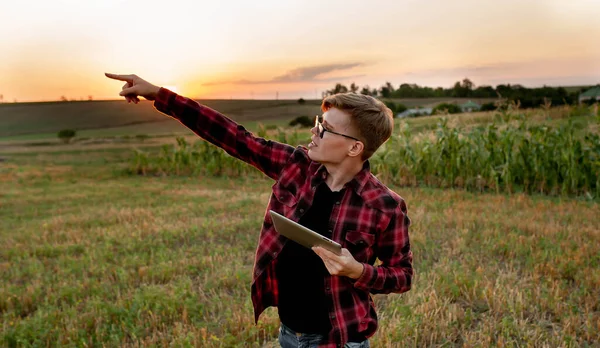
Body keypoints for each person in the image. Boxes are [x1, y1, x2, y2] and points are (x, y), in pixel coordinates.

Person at [105, 73, 413, 348]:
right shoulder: (296, 166)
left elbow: (402, 276)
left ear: (354, 148)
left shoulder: (384, 205)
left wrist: (357, 270)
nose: (314, 131)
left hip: (341, 339)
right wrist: (159, 94)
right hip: (290, 334)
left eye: (325, 129)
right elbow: (234, 137)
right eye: (319, 123)